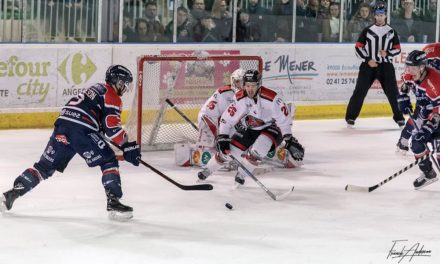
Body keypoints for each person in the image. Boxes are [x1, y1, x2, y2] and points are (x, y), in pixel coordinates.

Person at [0, 65, 141, 220]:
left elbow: (96, 118)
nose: (125, 88)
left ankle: (10, 195)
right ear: (116, 82)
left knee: (43, 167)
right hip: (81, 130)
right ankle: (114, 203)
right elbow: (112, 128)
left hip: (62, 127)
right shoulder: (112, 96)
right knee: (109, 160)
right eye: (123, 84)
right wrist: (127, 145)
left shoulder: (95, 88)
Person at [197, 70, 305, 185]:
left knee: (260, 148)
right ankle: (207, 170)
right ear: (244, 85)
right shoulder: (240, 99)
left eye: (253, 85)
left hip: (272, 128)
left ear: (259, 85)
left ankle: (241, 175)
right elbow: (226, 119)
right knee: (229, 152)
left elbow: (284, 119)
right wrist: (222, 137)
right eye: (248, 85)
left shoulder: (271, 98)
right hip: (250, 127)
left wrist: (288, 138)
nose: (250, 89)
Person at [345, 1, 404, 128]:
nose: (379, 17)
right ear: (374, 16)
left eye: (382, 14)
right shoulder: (367, 31)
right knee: (359, 91)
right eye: (377, 14)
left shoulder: (392, 32)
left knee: (393, 93)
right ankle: (350, 117)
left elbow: (398, 49)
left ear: (385, 16)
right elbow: (358, 47)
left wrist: (387, 53)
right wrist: (367, 59)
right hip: (368, 67)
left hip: (386, 67)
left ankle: (399, 117)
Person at [406, 50, 440, 189]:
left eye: (413, 68)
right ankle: (428, 173)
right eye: (408, 67)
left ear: (421, 67)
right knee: (416, 144)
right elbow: (405, 82)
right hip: (424, 111)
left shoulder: (435, 83)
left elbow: (437, 114)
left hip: (437, 114)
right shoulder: (412, 73)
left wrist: (427, 129)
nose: (410, 71)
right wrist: (402, 95)